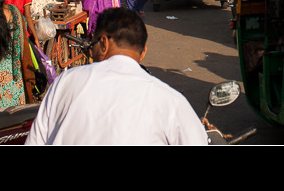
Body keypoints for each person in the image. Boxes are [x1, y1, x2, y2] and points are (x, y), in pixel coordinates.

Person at [24, 8, 208, 145]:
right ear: (143, 52)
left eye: (93, 44)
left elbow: (36, 141)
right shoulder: (170, 99)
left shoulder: (66, 82)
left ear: (103, 43)